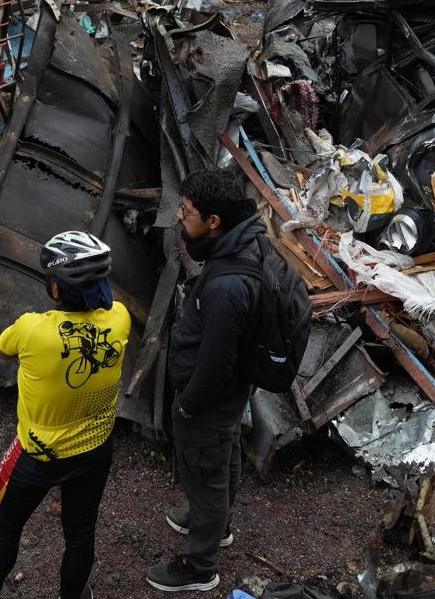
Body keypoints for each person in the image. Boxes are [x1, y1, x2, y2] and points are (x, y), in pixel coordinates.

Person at [0, 232, 130, 599]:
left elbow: (3, 350)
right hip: (95, 449)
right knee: (80, 533)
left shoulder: (32, 328)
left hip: (38, 454)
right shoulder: (121, 319)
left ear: (54, 287)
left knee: (5, 527)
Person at [146, 168, 265, 593]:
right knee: (224, 453)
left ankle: (199, 567)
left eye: (188, 211)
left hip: (209, 398)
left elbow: (215, 363)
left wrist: (187, 405)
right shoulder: (243, 243)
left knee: (206, 472)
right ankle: (217, 523)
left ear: (214, 221)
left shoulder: (228, 287)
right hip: (230, 395)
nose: (180, 217)